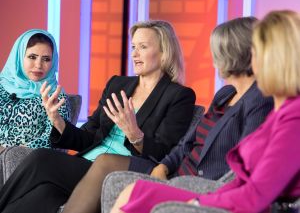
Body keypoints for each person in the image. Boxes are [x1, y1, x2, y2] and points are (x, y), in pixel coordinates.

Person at [60, 16, 274, 213]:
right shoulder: (225, 94)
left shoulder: (260, 99)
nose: (215, 59)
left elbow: (246, 165)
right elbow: (186, 143)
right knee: (44, 164)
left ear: (240, 53)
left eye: (219, 52)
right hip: (178, 170)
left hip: (203, 180)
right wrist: (165, 166)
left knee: (125, 184)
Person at [110, 10, 300, 213]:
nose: (251, 64)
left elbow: (255, 195)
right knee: (134, 192)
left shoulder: (291, 118)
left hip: (229, 195)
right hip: (216, 191)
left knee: (136, 192)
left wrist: (201, 203)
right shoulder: (281, 111)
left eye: (255, 56)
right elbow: (242, 179)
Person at [0, 20, 196, 213]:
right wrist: (57, 121)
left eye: (143, 47)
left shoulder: (180, 95)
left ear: (164, 53)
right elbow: (89, 136)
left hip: (126, 166)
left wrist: (135, 134)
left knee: (41, 158)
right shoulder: (117, 84)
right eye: (134, 46)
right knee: (41, 195)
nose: (134, 54)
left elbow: (166, 152)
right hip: (88, 163)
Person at [0, 29, 70, 150]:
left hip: (26, 161)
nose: (38, 65)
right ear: (19, 57)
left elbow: (55, 142)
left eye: (46, 59)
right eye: (32, 57)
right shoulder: (2, 86)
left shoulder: (55, 96)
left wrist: (14, 152)